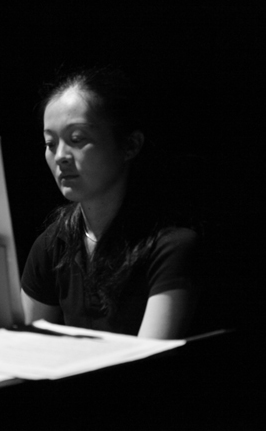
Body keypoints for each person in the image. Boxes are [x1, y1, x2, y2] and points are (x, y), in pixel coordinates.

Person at [20, 67, 200, 339]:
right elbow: (24, 347)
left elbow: (146, 359)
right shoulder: (52, 245)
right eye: (50, 143)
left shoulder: (171, 246)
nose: (60, 156)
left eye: (77, 139)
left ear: (130, 145)